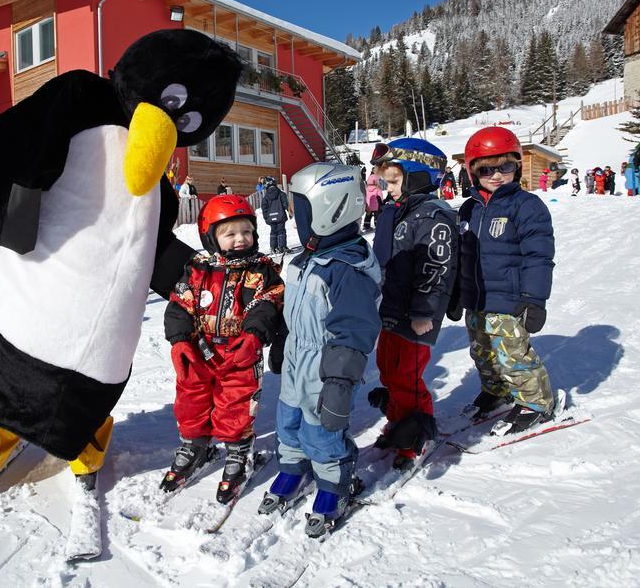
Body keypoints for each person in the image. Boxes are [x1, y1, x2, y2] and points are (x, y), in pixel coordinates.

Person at [259, 162, 381, 538]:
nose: (297, 218)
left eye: (303, 209)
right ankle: (293, 468)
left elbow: (353, 332)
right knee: (289, 419)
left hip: (327, 365)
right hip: (299, 355)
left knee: (322, 430)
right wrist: (282, 341)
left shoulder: (347, 270)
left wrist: (340, 384)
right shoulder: (305, 259)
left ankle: (334, 482)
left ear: (330, 210)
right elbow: (291, 309)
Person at [162, 195, 284, 503]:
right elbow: (180, 305)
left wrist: (254, 334)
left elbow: (268, 302)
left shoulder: (262, 271)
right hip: (199, 350)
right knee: (191, 400)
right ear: (211, 237)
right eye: (230, 233)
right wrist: (179, 340)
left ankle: (238, 452)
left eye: (246, 231)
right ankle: (194, 444)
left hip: (241, 352)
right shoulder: (198, 269)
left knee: (236, 405)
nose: (241, 239)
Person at [453, 127, 557, 436]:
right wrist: (457, 292)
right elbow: (463, 255)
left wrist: (534, 299)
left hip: (510, 299)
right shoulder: (469, 209)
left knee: (512, 354)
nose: (497, 175)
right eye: (487, 169)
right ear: (473, 172)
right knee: (482, 352)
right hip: (477, 299)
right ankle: (496, 390)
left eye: (505, 167)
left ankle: (537, 402)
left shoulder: (527, 206)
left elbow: (539, 256)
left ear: (517, 166)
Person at [368, 157, 457, 470]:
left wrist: (423, 312)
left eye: (393, 182)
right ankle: (399, 424)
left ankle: (418, 433)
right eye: (385, 182)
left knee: (407, 376)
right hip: (392, 307)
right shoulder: (401, 212)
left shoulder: (434, 216)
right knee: (389, 370)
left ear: (417, 179)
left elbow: (436, 268)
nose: (387, 189)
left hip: (418, 314)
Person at [260, 176, 291, 254]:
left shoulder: (265, 198)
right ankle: (282, 247)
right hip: (280, 216)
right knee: (281, 231)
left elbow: (264, 208)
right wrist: (289, 211)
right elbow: (285, 204)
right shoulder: (281, 194)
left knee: (273, 232)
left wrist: (266, 217)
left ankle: (273, 248)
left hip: (271, 217)